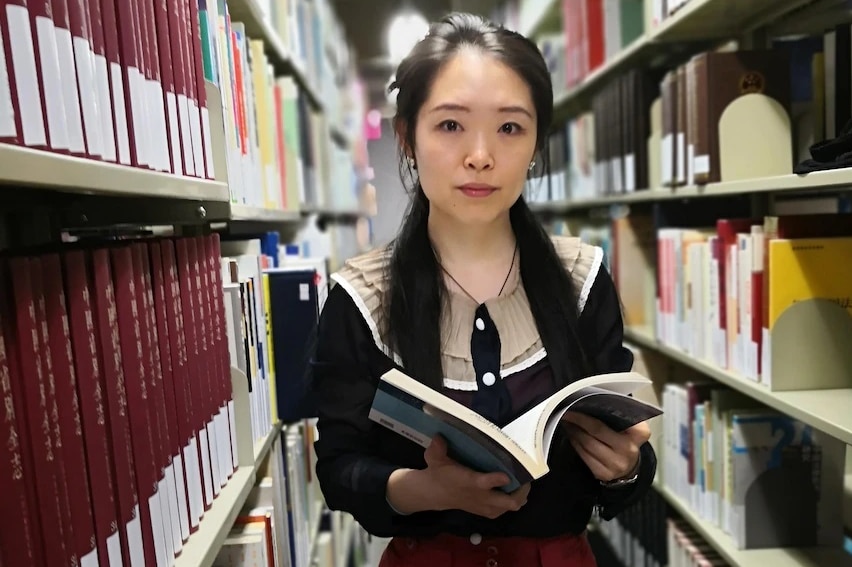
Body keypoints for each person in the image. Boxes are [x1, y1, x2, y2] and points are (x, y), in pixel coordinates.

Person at [310, 12, 656, 566]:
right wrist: (422, 490)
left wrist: (627, 469)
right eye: (450, 125)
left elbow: (626, 458)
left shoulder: (581, 280)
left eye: (510, 128)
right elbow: (338, 468)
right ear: (407, 137)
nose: (481, 155)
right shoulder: (361, 298)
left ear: (537, 142)